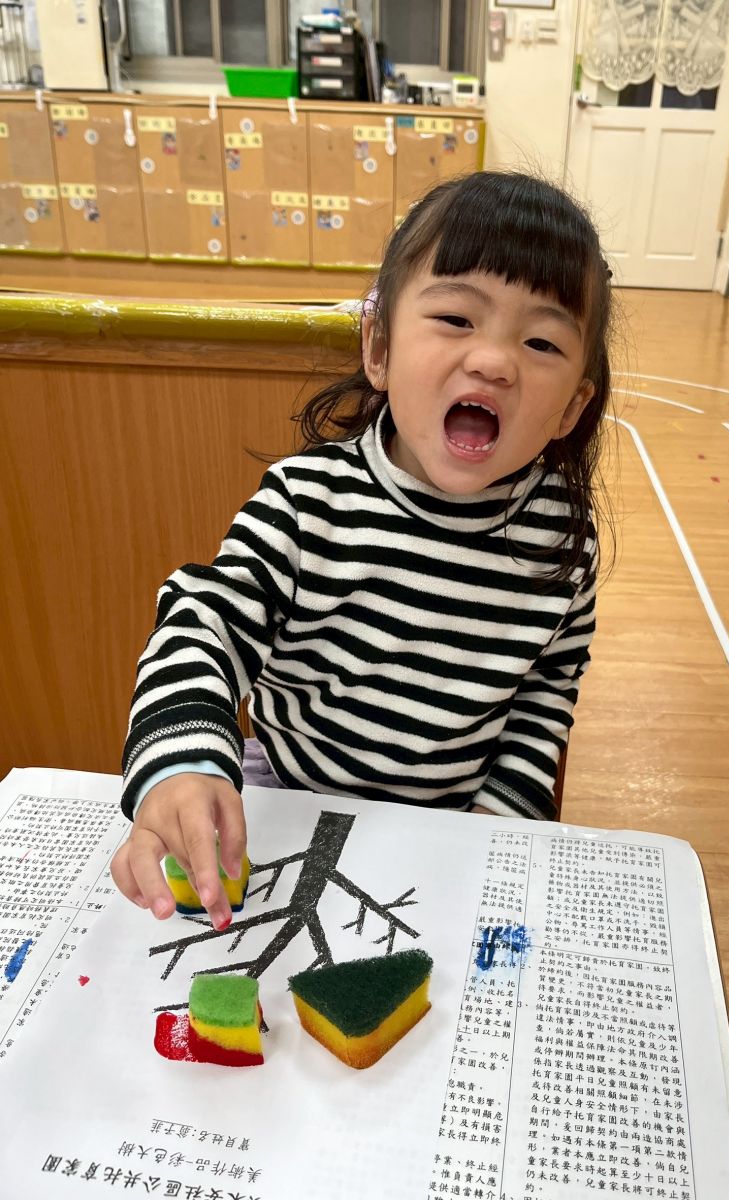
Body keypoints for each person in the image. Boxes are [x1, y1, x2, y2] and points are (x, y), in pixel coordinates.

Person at [111, 170, 615, 930]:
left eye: (541, 341)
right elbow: (203, 626)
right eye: (455, 318)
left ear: (571, 407)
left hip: (451, 824)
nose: (494, 361)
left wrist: (497, 819)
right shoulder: (308, 502)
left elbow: (547, 693)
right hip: (287, 794)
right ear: (379, 347)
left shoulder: (559, 542)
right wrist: (180, 764)